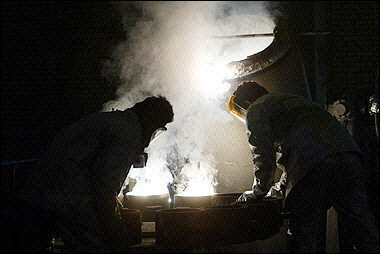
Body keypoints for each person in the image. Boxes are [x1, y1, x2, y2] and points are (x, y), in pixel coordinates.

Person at [1, 96, 174, 253]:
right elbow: (105, 188)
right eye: (159, 128)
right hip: (66, 195)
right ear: (150, 118)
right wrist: (113, 227)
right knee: (94, 245)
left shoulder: (113, 121)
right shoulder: (128, 132)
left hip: (41, 193)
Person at [232, 81, 379, 252]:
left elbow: (263, 156)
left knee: (303, 234)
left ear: (246, 103)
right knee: (361, 227)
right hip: (348, 155)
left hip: (314, 165)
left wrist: (258, 192)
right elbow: (298, 156)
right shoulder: (295, 101)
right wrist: (279, 188)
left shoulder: (256, 108)